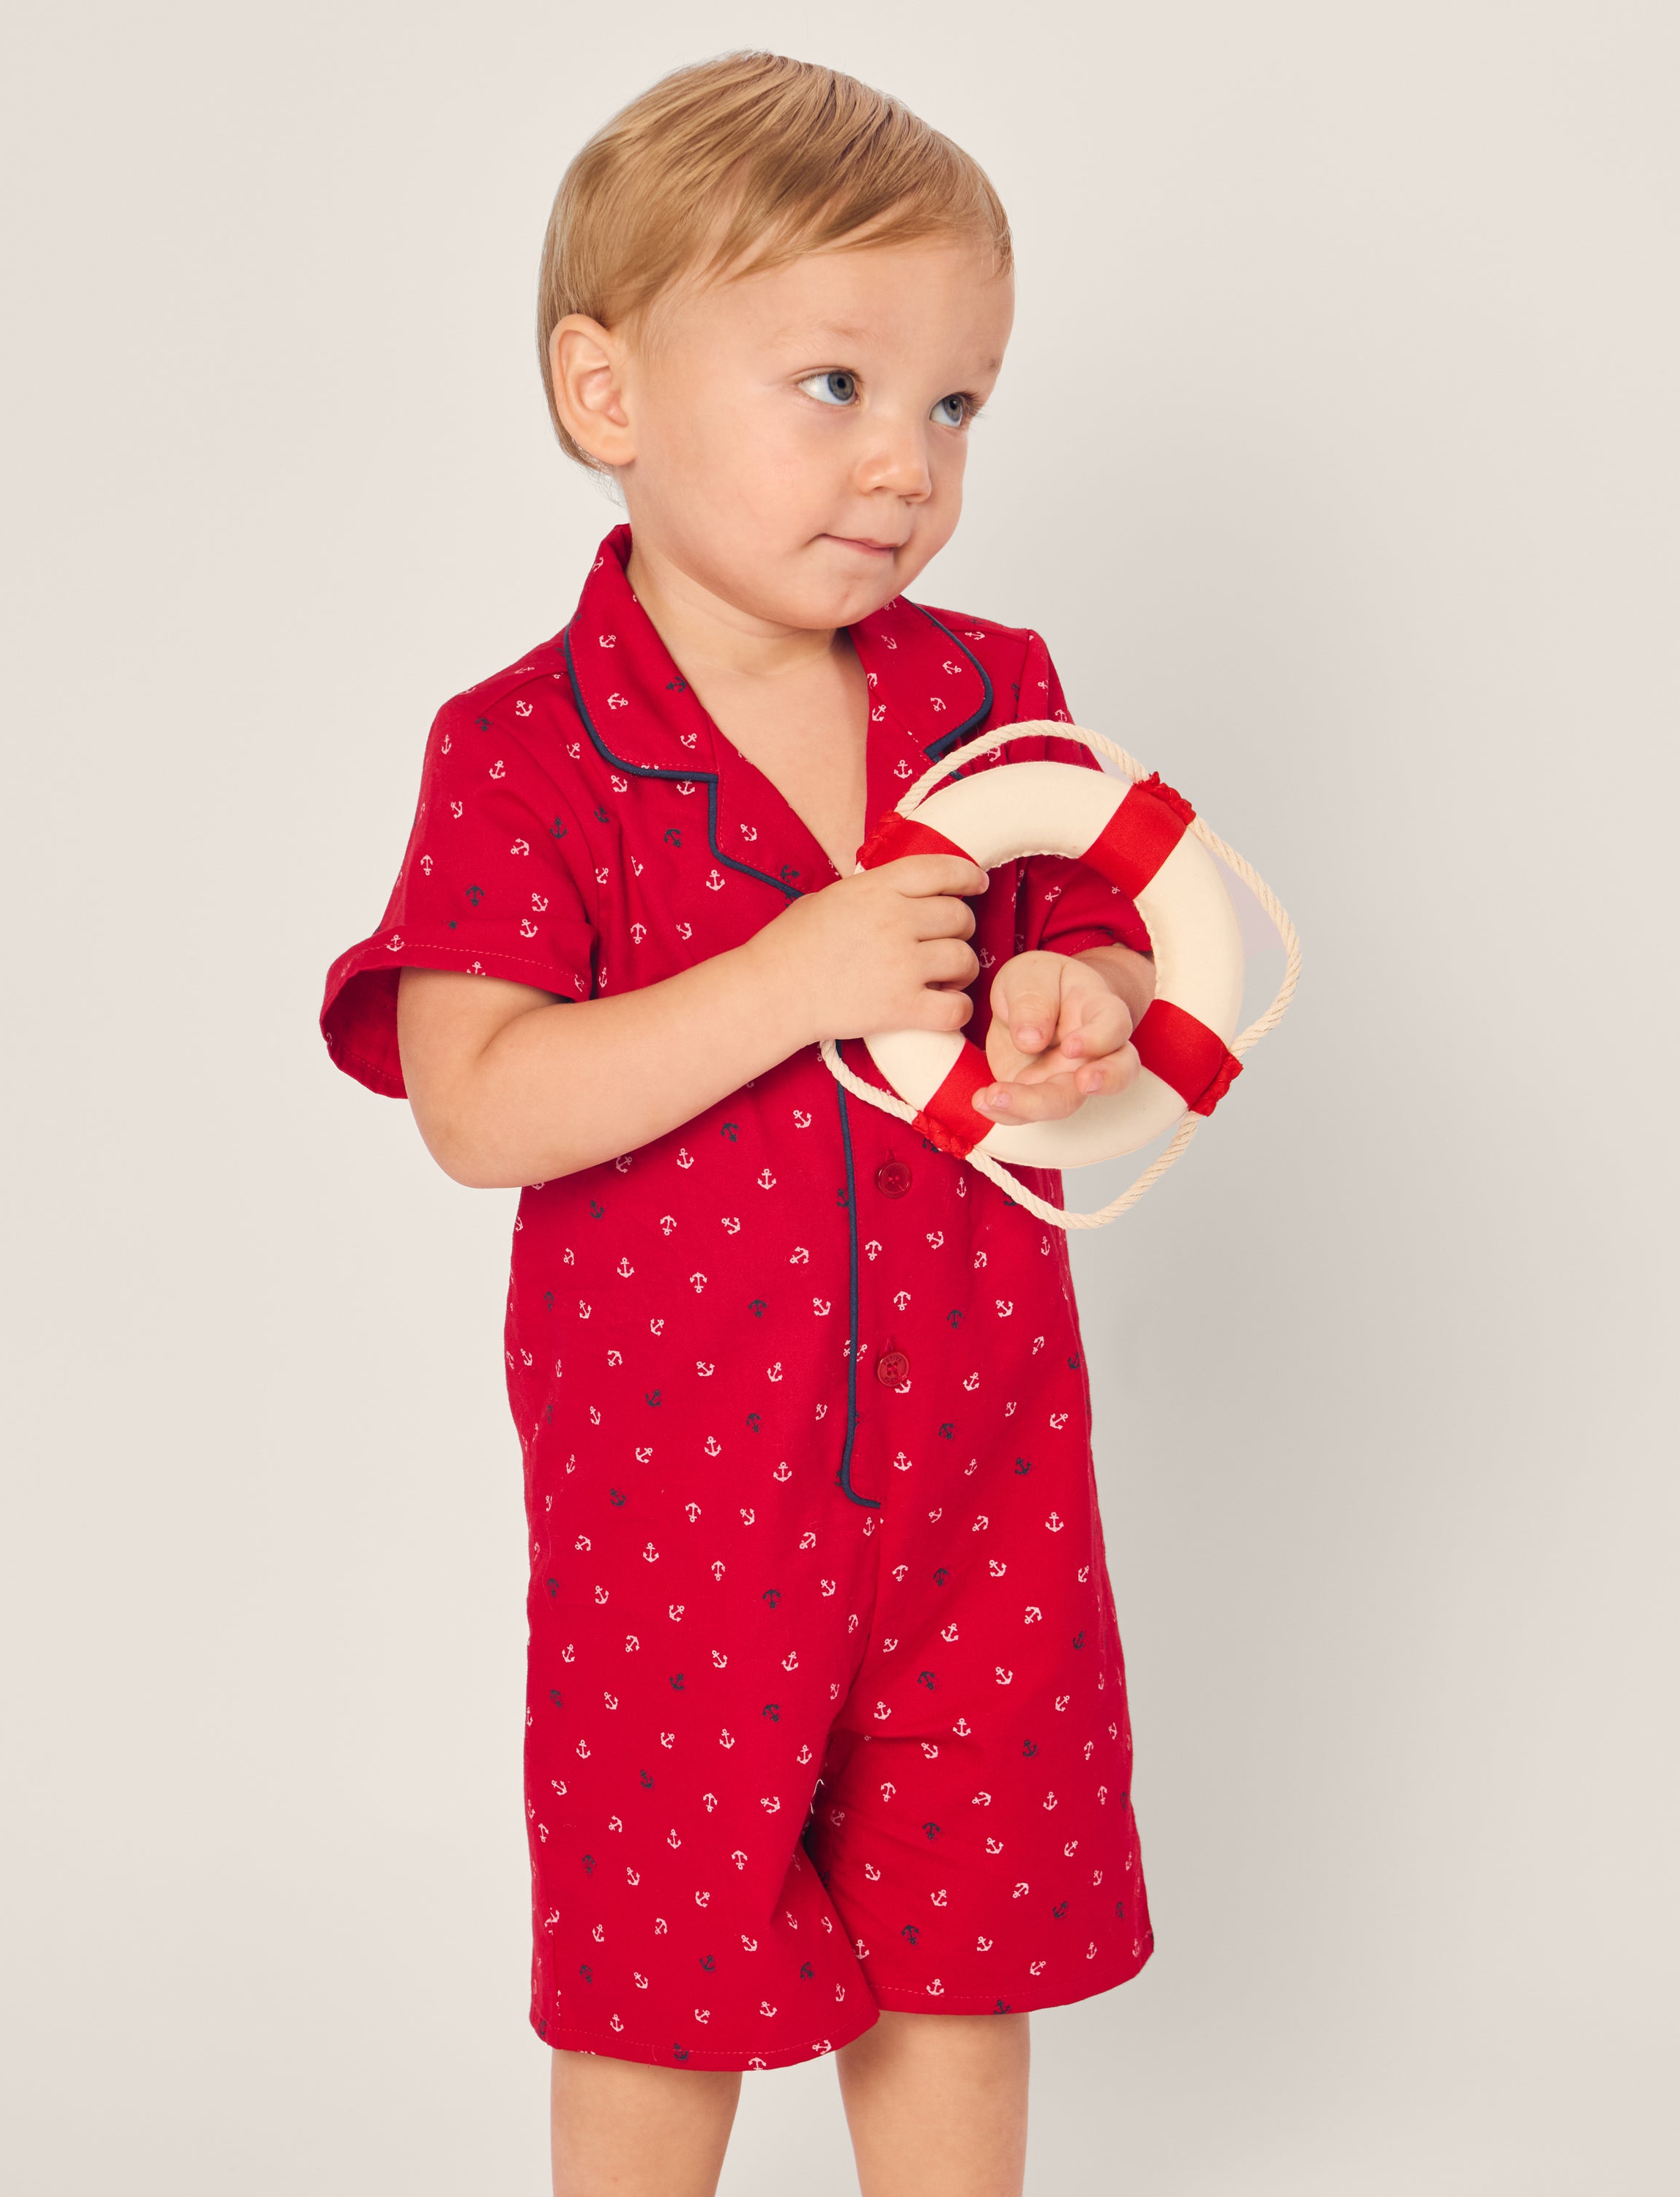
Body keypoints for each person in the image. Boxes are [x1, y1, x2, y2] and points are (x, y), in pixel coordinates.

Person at [321, 51, 1159, 2197]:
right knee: (652, 1974)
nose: (906, 464)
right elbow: (479, 1107)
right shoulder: (523, 750)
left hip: (981, 1472)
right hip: (679, 1509)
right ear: (607, 393)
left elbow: (1115, 942)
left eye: (957, 405)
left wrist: (1083, 993)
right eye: (836, 385)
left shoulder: (993, 691)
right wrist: (789, 984)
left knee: (967, 1965)